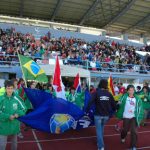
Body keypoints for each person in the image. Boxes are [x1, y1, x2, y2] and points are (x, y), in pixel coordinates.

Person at [86, 79, 116, 150]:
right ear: (106, 85)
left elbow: (90, 102)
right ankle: (99, 142)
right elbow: (114, 105)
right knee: (101, 128)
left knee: (99, 130)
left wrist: (86, 110)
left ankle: (101, 146)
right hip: (106, 116)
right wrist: (115, 110)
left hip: (98, 115)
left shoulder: (96, 93)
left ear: (100, 84)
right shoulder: (109, 94)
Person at [0, 80, 26, 150]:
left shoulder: (17, 98)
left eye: (11, 88)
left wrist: (18, 113)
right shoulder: (1, 99)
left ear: (13, 89)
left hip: (14, 125)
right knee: (2, 145)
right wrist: (8, 116)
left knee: (14, 144)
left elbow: (24, 108)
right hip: (3, 127)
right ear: (5, 89)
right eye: (8, 88)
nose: (10, 90)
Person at [116, 85, 144, 150]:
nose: (131, 91)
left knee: (134, 131)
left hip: (134, 117)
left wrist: (139, 118)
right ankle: (123, 137)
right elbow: (119, 103)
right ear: (127, 90)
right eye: (130, 90)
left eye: (133, 90)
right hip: (126, 116)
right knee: (125, 130)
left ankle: (133, 146)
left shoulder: (137, 99)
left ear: (134, 90)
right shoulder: (124, 97)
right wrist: (117, 105)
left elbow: (140, 109)